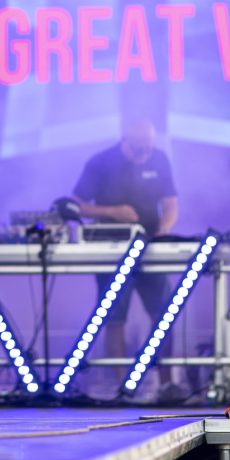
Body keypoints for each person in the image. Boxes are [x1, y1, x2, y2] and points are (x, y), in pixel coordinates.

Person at [71, 118, 182, 402]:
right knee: (114, 317)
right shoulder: (100, 162)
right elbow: (76, 204)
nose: (145, 154)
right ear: (126, 142)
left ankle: (167, 383)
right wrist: (112, 212)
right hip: (112, 250)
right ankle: (124, 386)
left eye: (148, 148)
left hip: (151, 248)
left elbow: (171, 202)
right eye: (139, 149)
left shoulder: (159, 159)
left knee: (164, 313)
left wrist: (164, 228)